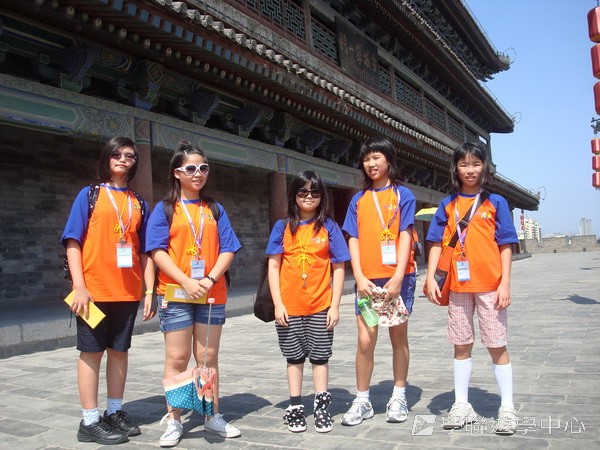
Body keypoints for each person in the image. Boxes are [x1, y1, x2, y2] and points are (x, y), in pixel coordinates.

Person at [145, 140, 242, 447]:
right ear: (177, 173)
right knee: (177, 357)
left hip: (211, 292)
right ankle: (174, 419)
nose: (198, 173)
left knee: (207, 356)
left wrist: (210, 278)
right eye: (190, 168)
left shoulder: (215, 209)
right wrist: (186, 281)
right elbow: (157, 251)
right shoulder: (165, 209)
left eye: (203, 168)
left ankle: (211, 414)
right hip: (176, 292)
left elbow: (229, 248)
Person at [62, 136, 155, 445]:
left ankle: (114, 412)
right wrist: (79, 286)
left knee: (119, 352)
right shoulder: (89, 195)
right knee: (91, 353)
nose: (123, 159)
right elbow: (73, 242)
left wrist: (149, 291)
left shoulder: (138, 202)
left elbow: (145, 251)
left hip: (126, 292)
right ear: (107, 157)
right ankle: (89, 420)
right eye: (117, 154)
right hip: (93, 291)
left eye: (129, 155)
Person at [424, 141, 519, 435]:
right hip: (458, 286)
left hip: (490, 285)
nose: (470, 170)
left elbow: (505, 245)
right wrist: (430, 277)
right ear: (455, 168)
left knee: (496, 344)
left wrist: (505, 283)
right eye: (463, 164)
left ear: (484, 167)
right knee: (461, 344)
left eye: (476, 164)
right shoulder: (447, 204)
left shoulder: (496, 202)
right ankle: (462, 404)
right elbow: (435, 242)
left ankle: (507, 407)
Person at [266, 170, 350, 433]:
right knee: (294, 358)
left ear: (322, 196)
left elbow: (339, 267)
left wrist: (334, 306)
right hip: (289, 307)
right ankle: (295, 407)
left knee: (320, 358)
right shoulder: (282, 227)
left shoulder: (328, 227)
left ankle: (321, 407)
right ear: (294, 195)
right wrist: (278, 304)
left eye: (315, 192)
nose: (309, 196)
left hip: (320, 305)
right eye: (303, 191)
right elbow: (273, 265)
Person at [341, 136, 417, 426]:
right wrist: (359, 276)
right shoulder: (358, 200)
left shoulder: (403, 195)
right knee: (365, 340)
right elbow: (353, 238)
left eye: (376, 158)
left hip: (399, 278)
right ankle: (362, 400)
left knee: (399, 338)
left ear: (389, 161)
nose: (371, 164)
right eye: (366, 159)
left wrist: (398, 276)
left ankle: (399, 395)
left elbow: (406, 234)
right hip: (368, 280)